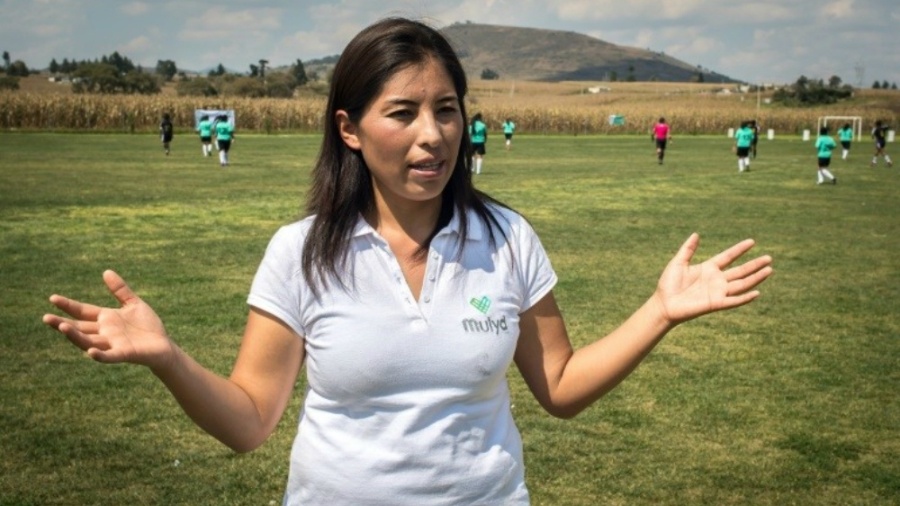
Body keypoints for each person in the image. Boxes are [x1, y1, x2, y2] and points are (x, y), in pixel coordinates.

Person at [41, 17, 773, 506]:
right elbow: (250, 422)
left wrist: (661, 311)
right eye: (403, 113)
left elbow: (559, 385)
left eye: (447, 109)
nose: (433, 135)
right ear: (349, 128)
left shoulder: (507, 238)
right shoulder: (300, 252)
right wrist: (168, 357)